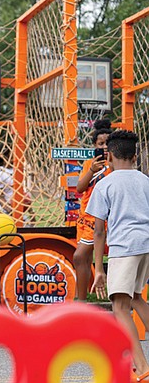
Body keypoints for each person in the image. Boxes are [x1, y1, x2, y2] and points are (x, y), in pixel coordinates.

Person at [87, 130, 149, 381]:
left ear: (109, 155)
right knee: (135, 298)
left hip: (124, 248)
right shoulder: (146, 180)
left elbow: (99, 231)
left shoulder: (104, 184)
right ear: (134, 156)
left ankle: (143, 368)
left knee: (119, 307)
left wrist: (99, 268)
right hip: (145, 244)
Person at [73, 119, 113, 301]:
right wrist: (91, 170)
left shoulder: (118, 163)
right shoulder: (90, 163)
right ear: (94, 146)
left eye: (107, 143)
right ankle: (81, 300)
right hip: (88, 220)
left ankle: (117, 298)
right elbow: (80, 188)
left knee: (113, 258)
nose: (104, 147)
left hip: (109, 220)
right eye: (100, 144)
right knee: (80, 257)